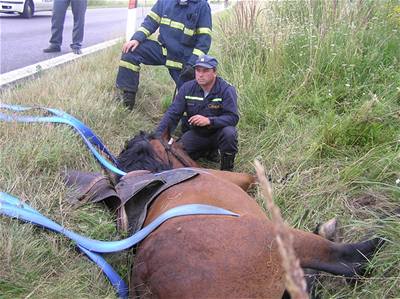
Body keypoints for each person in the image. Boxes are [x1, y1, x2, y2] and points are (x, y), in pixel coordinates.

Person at [115, 0, 212, 109]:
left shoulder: (202, 6)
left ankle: (189, 122)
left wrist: (192, 64)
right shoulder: (164, 1)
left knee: (192, 100)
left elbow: (204, 42)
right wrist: (137, 38)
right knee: (131, 51)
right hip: (163, 51)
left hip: (183, 61)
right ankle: (127, 101)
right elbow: (150, 22)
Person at [155, 55, 239, 171]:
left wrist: (209, 121)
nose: (200, 74)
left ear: (214, 72)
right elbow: (172, 114)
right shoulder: (187, 88)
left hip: (219, 133)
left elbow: (233, 118)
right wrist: (157, 137)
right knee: (177, 153)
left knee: (230, 133)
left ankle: (227, 170)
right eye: (198, 70)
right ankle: (207, 152)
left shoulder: (226, 89)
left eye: (205, 71)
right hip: (198, 134)